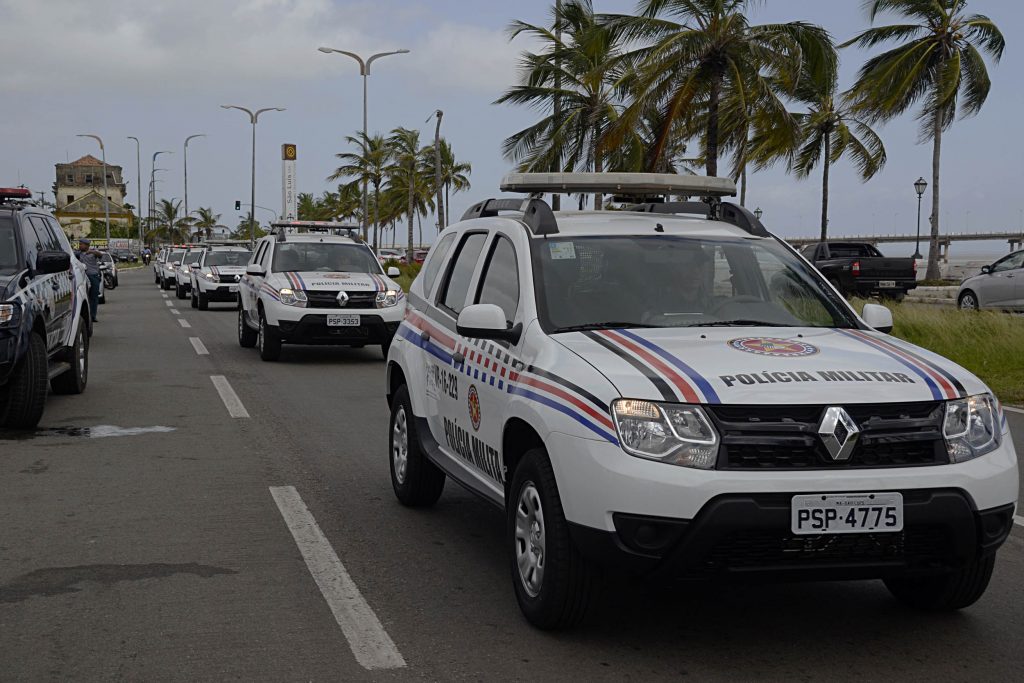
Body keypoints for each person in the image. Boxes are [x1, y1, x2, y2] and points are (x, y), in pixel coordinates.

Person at [76, 238, 102, 323]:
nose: (80, 246)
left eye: (81, 244)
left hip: (93, 276)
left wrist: (92, 252)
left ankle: (93, 316)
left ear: (87, 245)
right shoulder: (78, 254)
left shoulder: (93, 253)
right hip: (82, 277)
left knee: (93, 297)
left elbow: (100, 254)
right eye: (79, 244)